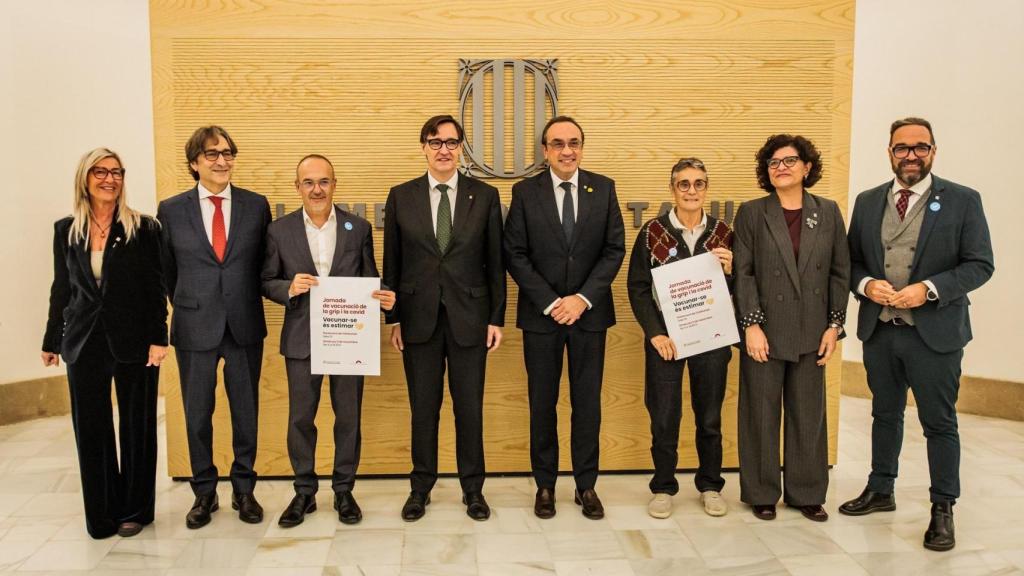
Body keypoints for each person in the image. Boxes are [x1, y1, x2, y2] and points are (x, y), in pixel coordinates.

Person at [840, 118, 994, 551]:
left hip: (936, 335)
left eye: (919, 147)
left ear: (933, 151)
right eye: (901, 148)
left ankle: (943, 507)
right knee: (884, 414)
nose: (911, 155)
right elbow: (851, 263)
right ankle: (880, 488)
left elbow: (979, 264)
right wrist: (867, 285)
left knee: (939, 423)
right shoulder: (869, 202)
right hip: (880, 331)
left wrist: (927, 290)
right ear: (889, 153)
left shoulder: (963, 200)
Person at [383, 115, 506, 521]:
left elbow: (495, 263)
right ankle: (421, 488)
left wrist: (496, 318)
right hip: (418, 321)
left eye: (452, 142)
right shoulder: (401, 196)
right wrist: (394, 319)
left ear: (461, 149)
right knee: (424, 407)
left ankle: (473, 490)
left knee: (468, 407)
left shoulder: (484, 196)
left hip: (471, 319)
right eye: (435, 141)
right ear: (423, 147)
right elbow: (393, 263)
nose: (443, 149)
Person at [262, 154, 395, 527]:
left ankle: (343, 490)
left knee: (348, 417)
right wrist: (287, 287)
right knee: (301, 418)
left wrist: (386, 296)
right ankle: (304, 492)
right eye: (309, 182)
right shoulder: (279, 231)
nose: (317, 189)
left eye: (323, 181)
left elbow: (371, 278)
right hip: (302, 339)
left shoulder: (359, 227)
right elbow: (266, 280)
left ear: (334, 184)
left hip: (349, 339)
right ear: (297, 187)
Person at [504, 115, 625, 520]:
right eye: (558, 143)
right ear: (545, 151)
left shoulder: (603, 188)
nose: (567, 150)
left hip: (589, 318)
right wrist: (553, 301)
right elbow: (514, 253)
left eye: (574, 142)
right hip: (543, 318)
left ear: (582, 147)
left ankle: (586, 485)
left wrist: (582, 299)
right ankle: (545, 485)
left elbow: (614, 250)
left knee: (587, 403)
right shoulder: (525, 192)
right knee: (543, 402)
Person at [41, 148, 167, 539]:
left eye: (116, 172)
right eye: (100, 171)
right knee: (91, 430)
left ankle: (134, 510)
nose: (109, 178)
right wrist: (52, 339)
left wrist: (158, 338)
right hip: (84, 342)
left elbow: (154, 287)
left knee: (137, 427)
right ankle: (101, 515)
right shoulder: (67, 229)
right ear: (85, 177)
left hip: (134, 341)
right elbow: (62, 288)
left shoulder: (142, 227)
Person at [157, 125, 272, 528]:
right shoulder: (171, 210)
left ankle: (244, 489)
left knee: (246, 412)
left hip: (243, 325)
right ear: (195, 163)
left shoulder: (257, 206)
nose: (222, 160)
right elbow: (166, 273)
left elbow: (263, 266)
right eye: (212, 154)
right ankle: (204, 493)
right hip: (194, 326)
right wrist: (192, 301)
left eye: (228, 153)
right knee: (196, 413)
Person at [732, 134, 850, 522]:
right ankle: (762, 492)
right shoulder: (752, 213)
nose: (780, 167)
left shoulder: (828, 212)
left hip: (813, 332)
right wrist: (751, 325)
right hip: (764, 330)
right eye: (773, 162)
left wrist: (835, 326)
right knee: (760, 414)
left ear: (807, 167)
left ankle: (807, 492)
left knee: (808, 415)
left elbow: (839, 273)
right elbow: (744, 274)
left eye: (789, 160)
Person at [627, 157, 735, 519]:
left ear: (707, 188)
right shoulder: (652, 232)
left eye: (699, 183)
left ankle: (710, 485)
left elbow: (738, 288)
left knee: (709, 416)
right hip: (666, 343)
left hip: (711, 339)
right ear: (672, 189)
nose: (691, 190)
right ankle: (663, 486)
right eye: (683, 184)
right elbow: (638, 289)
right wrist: (655, 334)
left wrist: (732, 270)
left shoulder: (723, 233)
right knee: (664, 416)